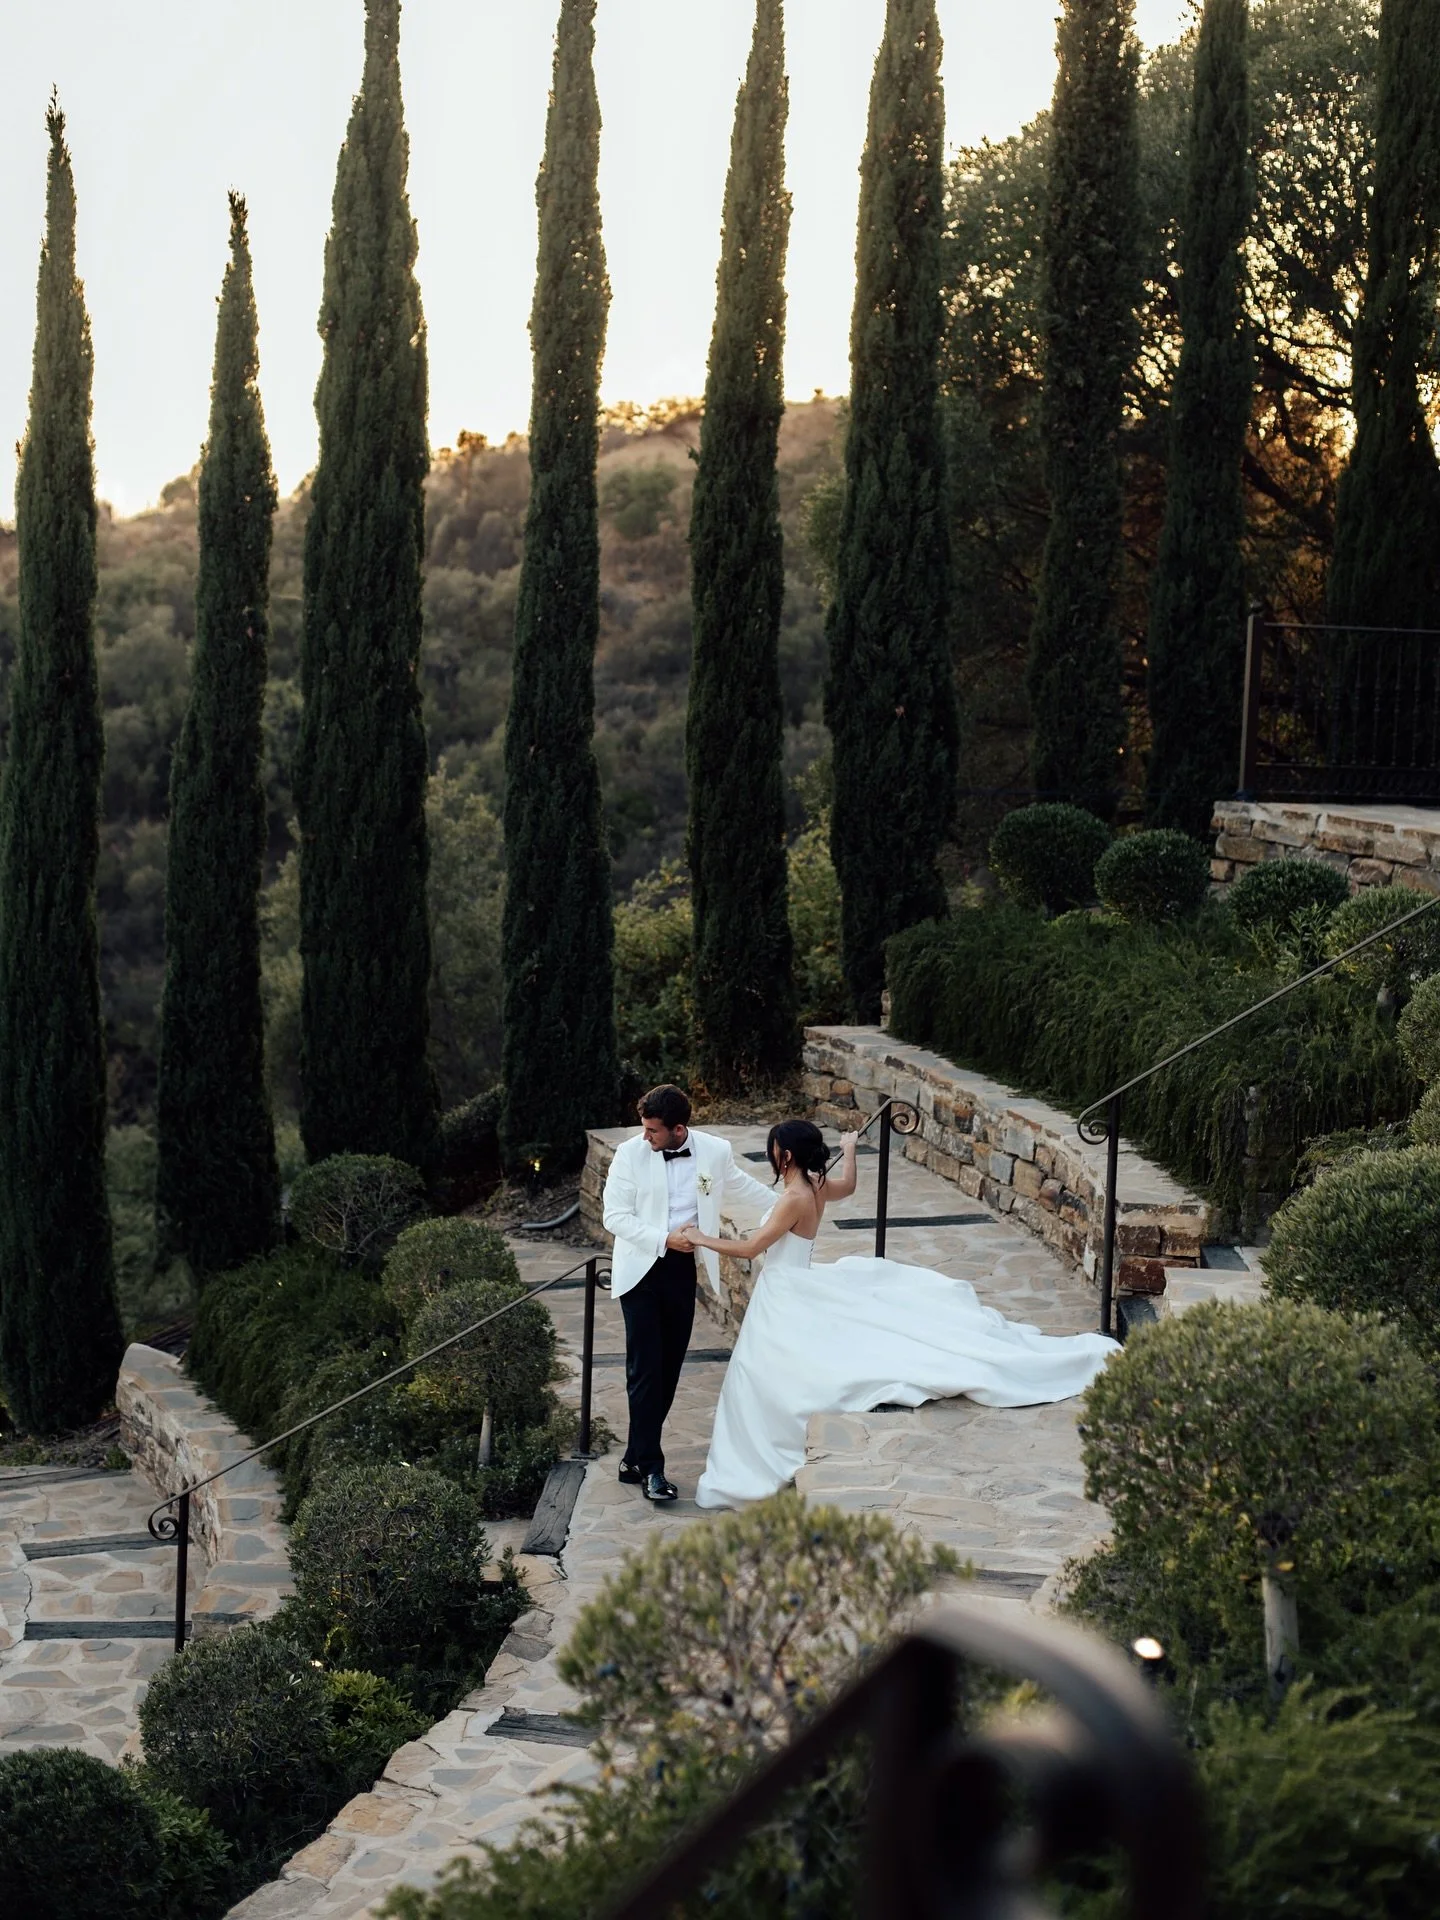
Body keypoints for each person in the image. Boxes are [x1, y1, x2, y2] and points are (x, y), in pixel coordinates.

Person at [687, 1119, 1118, 1511]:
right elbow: (850, 1187)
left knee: (760, 1376)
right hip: (799, 1279)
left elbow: (749, 1249)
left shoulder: (794, 1198)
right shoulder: (816, 1186)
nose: (771, 1156)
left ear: (786, 1156)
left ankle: (762, 1463)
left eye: (774, 1150)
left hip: (785, 1291)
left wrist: (700, 1237)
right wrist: (851, 1148)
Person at [601, 1083, 774, 1503]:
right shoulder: (630, 1154)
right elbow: (614, 1216)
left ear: (679, 1129)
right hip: (642, 1266)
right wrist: (663, 1239)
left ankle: (633, 1457)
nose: (646, 1137)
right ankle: (653, 1470)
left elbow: (740, 1186)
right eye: (644, 1129)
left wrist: (789, 1203)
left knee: (670, 1369)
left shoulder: (714, 1151)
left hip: (683, 1269)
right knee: (645, 1369)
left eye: (653, 1131)